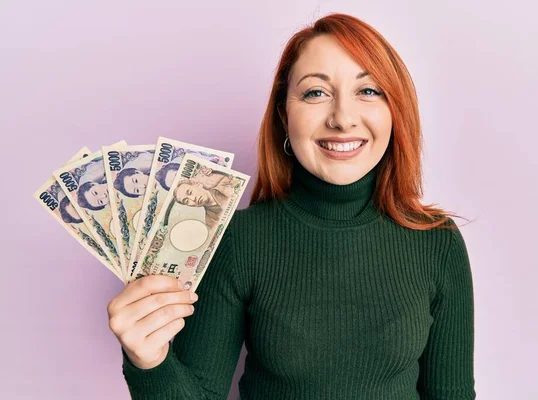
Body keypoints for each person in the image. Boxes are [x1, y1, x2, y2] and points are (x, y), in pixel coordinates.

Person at [107, 13, 476, 399]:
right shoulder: (236, 241)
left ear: (395, 110)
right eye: (316, 93)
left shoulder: (438, 242)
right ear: (285, 114)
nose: (343, 119)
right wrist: (148, 362)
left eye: (368, 91)